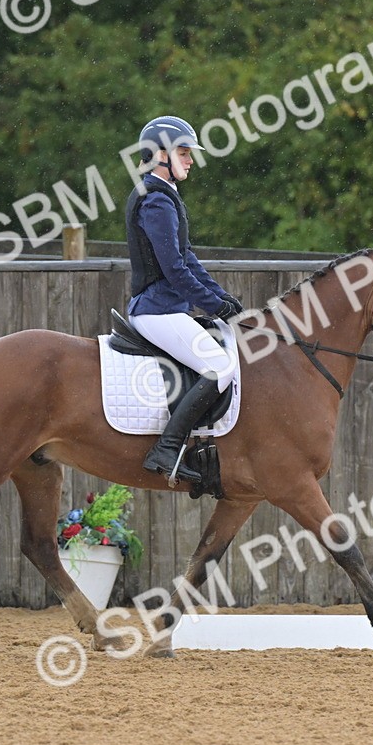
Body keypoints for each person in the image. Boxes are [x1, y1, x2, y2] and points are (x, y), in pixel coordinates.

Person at [125, 115, 243, 487]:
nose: (191, 160)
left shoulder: (164, 195)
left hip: (167, 306)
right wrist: (212, 305)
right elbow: (174, 269)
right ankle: (167, 449)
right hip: (157, 309)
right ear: (159, 154)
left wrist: (221, 297)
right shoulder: (155, 200)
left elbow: (187, 257)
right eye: (184, 152)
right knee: (220, 367)